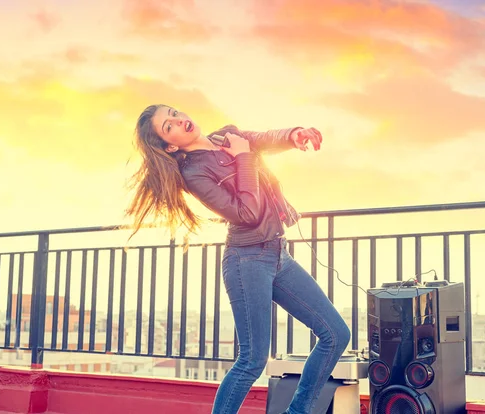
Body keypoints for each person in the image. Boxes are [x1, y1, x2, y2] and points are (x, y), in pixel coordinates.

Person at [126, 104, 351, 414]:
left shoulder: (227, 135)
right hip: (247, 262)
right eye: (169, 126)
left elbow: (261, 138)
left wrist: (293, 135)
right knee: (252, 360)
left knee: (336, 333)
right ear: (171, 145)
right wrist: (244, 157)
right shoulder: (194, 173)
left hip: (276, 254)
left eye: (175, 113)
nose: (180, 119)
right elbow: (246, 213)